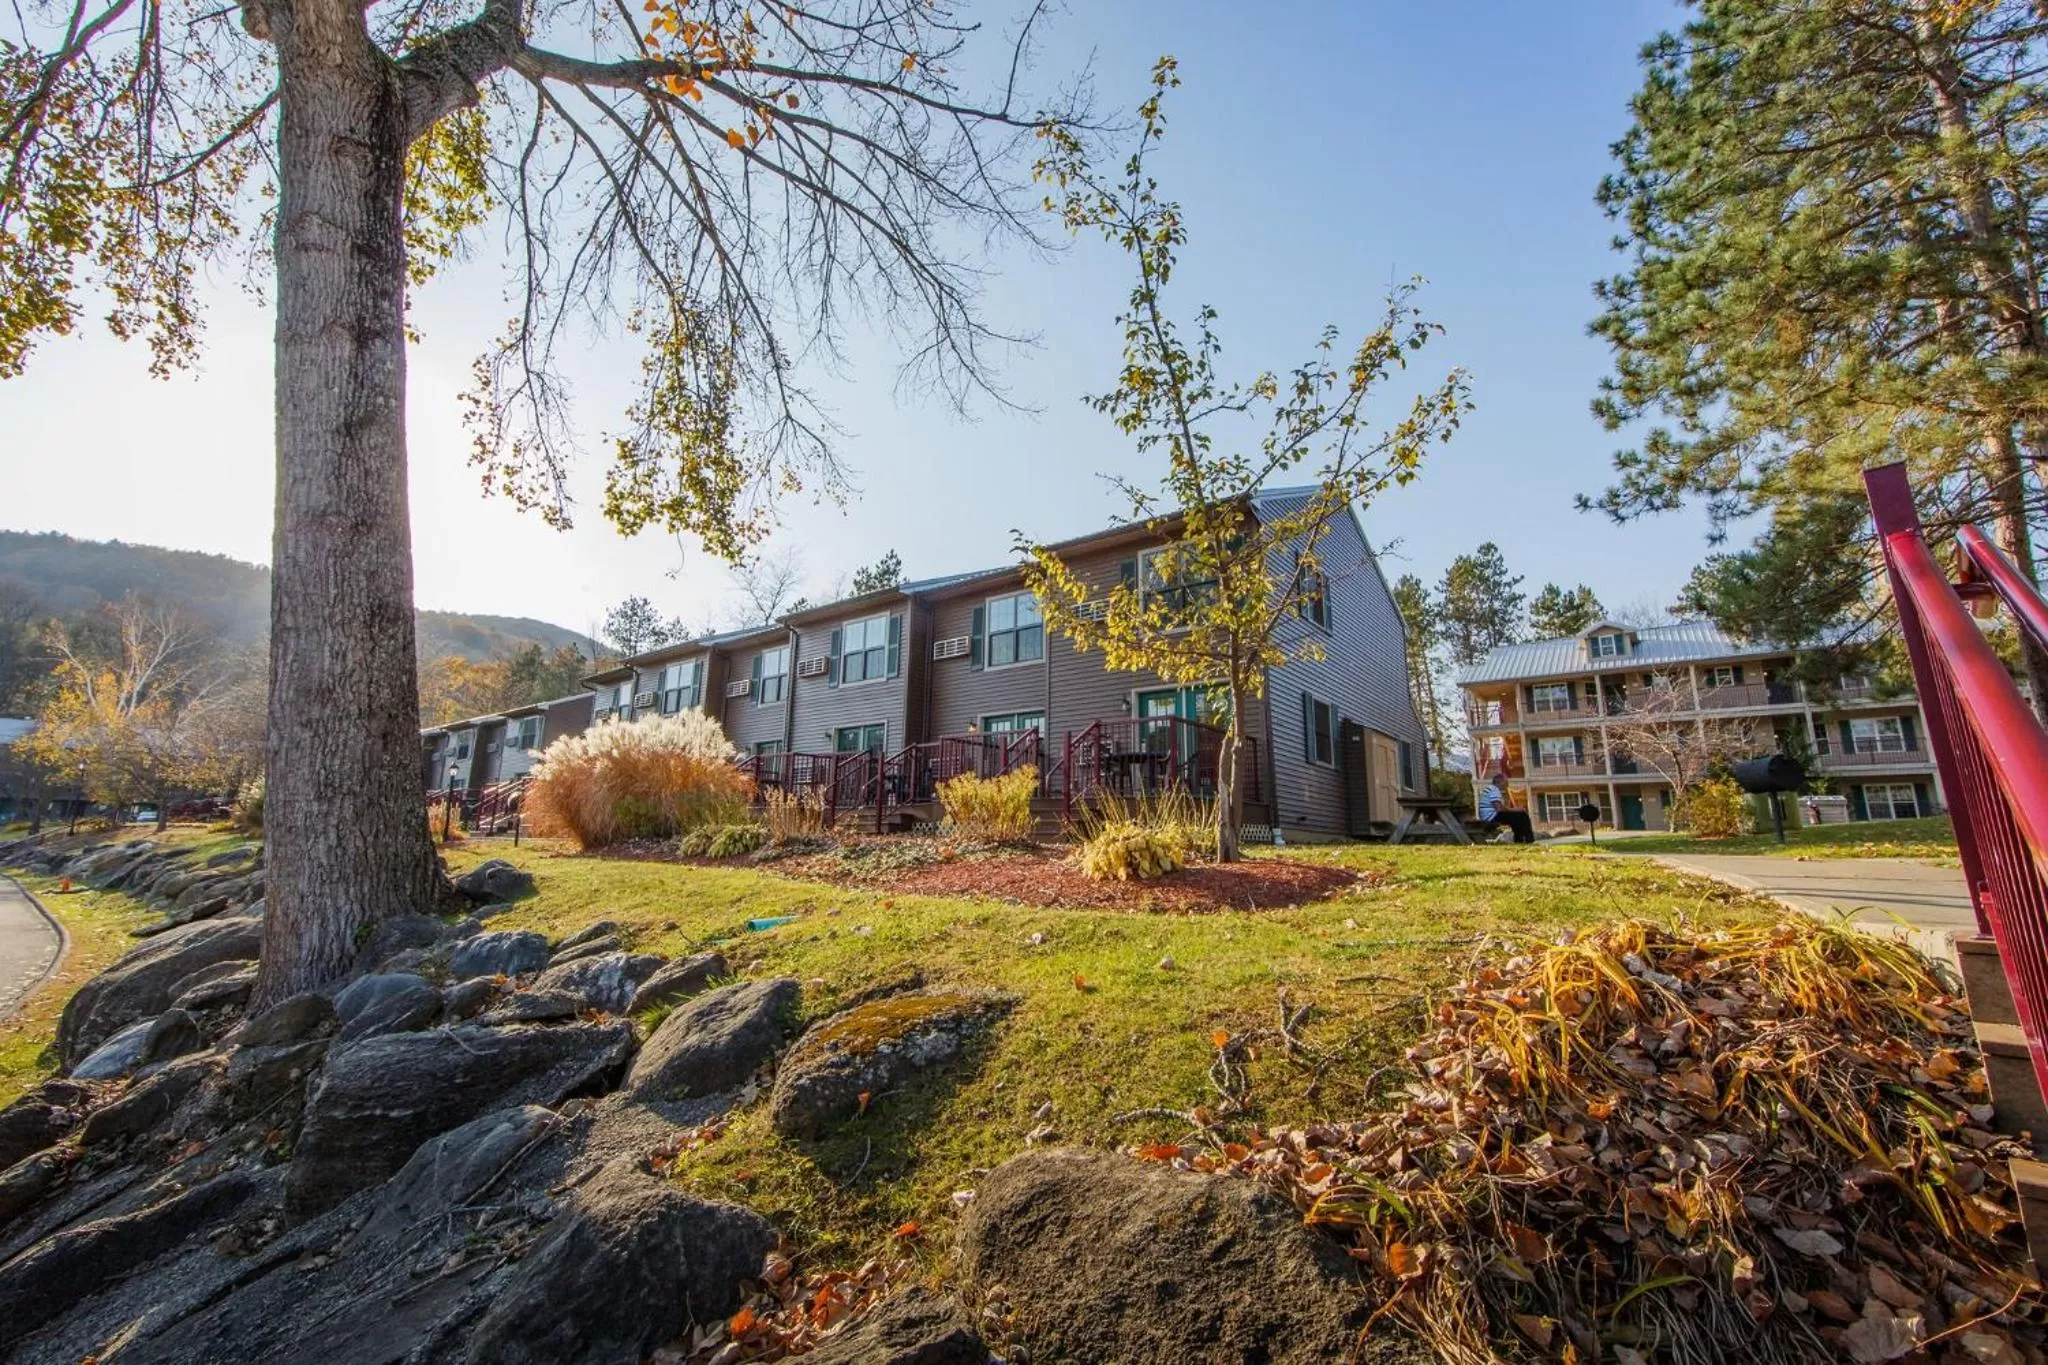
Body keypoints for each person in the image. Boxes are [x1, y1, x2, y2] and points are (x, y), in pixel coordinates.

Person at [1475, 771, 1534, 844]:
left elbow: (1500, 808)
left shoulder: (1491, 789)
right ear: (1500, 781)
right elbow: (1499, 809)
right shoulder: (1494, 789)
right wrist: (1516, 810)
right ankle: (1528, 840)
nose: (1507, 784)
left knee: (1517, 817)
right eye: (1506, 781)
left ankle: (1520, 840)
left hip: (1489, 816)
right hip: (1491, 817)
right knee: (1522, 815)